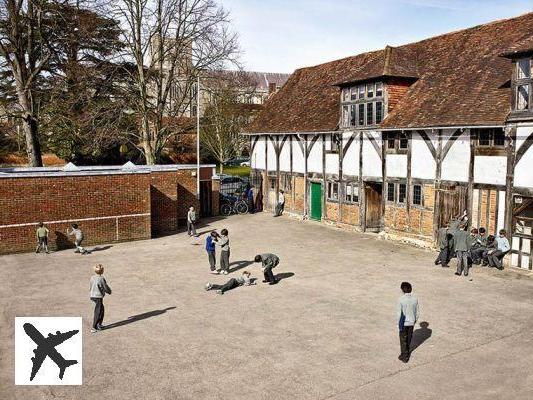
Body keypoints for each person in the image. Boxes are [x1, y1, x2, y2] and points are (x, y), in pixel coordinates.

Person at [397, 281, 419, 363]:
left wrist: (398, 323)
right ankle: (407, 351)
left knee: (403, 339)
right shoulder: (415, 299)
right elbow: (417, 312)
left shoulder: (401, 300)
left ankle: (404, 356)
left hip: (404, 322)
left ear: (402, 290)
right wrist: (414, 320)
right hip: (411, 322)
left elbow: (399, 313)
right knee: (409, 338)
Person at [89, 264, 112, 333]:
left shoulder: (92, 277)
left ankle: (99, 324)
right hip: (98, 297)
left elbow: (90, 285)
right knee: (98, 311)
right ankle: (94, 327)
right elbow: (105, 287)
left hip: (93, 295)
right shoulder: (101, 279)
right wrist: (109, 291)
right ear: (102, 271)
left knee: (101, 309)